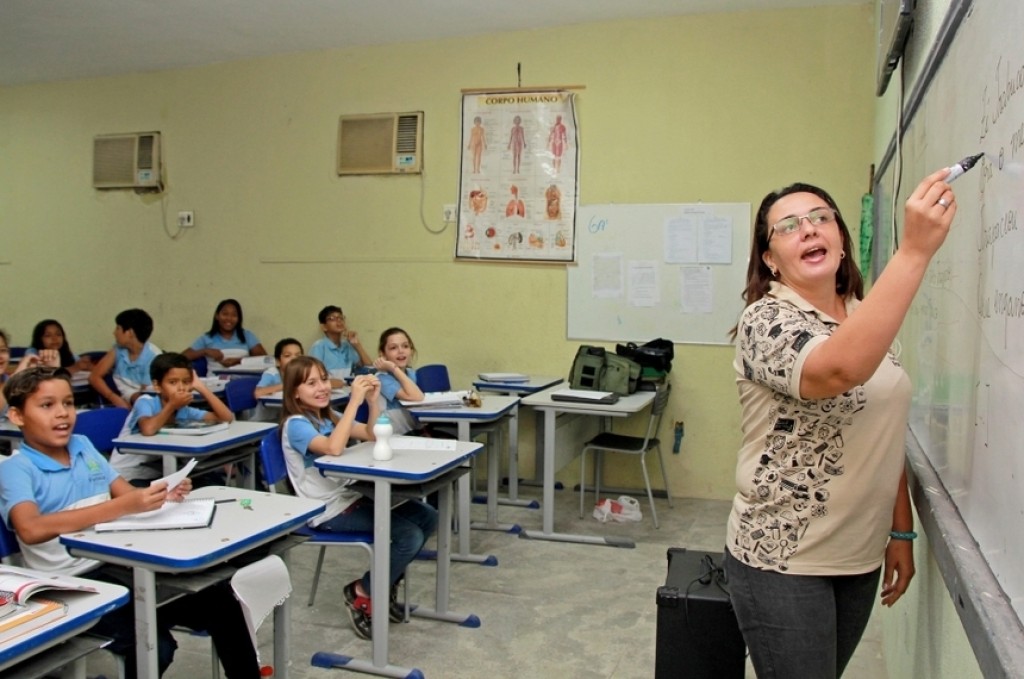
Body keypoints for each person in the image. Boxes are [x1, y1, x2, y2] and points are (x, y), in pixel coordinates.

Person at [724, 169, 957, 679]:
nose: (808, 229)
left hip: (859, 556)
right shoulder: (765, 321)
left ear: (841, 238)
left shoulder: (861, 314)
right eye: (788, 226)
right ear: (770, 259)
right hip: (784, 559)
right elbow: (836, 372)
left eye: (820, 218)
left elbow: (882, 427)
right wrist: (914, 252)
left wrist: (901, 531)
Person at [0, 367, 259, 679]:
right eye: (47, 405)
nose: (62, 413)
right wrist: (120, 506)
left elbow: (126, 495)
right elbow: (30, 528)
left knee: (221, 600)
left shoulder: (81, 445)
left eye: (68, 403)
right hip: (72, 584)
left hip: (118, 562)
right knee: (155, 646)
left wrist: (161, 493)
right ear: (16, 416)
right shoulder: (16, 468)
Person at [279, 356, 437, 640]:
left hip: (351, 495)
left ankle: (381, 586)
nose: (322, 387)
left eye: (323, 380)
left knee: (427, 516)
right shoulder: (297, 424)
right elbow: (333, 448)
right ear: (294, 393)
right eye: (311, 383)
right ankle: (362, 591)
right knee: (408, 536)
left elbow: (370, 434)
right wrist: (354, 401)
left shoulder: (327, 416)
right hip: (326, 509)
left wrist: (373, 402)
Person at [109, 352, 233, 484]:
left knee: (212, 481)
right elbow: (148, 429)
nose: (181, 388)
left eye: (186, 382)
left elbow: (226, 417)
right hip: (127, 475)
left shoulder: (184, 410)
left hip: (158, 472)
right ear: (157, 386)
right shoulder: (145, 402)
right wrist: (172, 405)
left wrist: (201, 388)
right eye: (172, 382)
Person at [88, 308, 162, 409]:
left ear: (130, 333)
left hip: (142, 401)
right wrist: (114, 398)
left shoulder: (154, 357)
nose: (114, 333)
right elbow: (94, 377)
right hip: (119, 397)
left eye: (118, 328)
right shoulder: (118, 349)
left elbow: (147, 396)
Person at [184, 299, 266, 371]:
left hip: (243, 380)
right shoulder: (207, 338)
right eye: (225, 314)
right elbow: (182, 357)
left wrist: (239, 361)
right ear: (217, 316)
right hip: (215, 381)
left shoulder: (247, 335)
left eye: (234, 315)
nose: (229, 318)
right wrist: (205, 351)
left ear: (238, 319)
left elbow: (265, 359)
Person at [372, 327, 424, 435]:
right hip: (393, 435)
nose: (401, 351)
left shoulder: (411, 373)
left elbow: (418, 402)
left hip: (412, 431)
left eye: (405, 346)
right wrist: (393, 368)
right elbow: (417, 397)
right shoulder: (381, 378)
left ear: (411, 350)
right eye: (393, 348)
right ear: (383, 354)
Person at [309, 305, 372, 385]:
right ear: (324, 327)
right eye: (332, 318)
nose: (339, 321)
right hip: (327, 391)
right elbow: (312, 376)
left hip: (348, 390)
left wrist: (357, 345)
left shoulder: (347, 345)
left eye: (341, 318)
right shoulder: (319, 347)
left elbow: (369, 367)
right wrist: (330, 382)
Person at [26, 319, 93, 371]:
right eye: (48, 335)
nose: (55, 339)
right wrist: (75, 368)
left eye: (58, 334)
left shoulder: (69, 354)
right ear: (39, 339)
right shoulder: (32, 353)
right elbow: (45, 377)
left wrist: (88, 366)